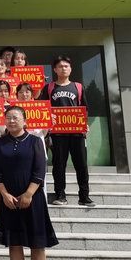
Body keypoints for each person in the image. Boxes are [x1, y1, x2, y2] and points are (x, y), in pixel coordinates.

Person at [0, 106, 58, 260]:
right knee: (14, 243)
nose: (12, 121)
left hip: (33, 199)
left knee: (37, 244)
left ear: (25, 120)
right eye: (8, 118)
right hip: (9, 201)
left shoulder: (35, 141)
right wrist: (4, 194)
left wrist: (29, 193)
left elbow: (40, 170)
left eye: (16, 117)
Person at [39, 55, 94, 207]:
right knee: (58, 165)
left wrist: (85, 124)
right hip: (57, 134)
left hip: (77, 133)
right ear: (55, 69)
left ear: (70, 69)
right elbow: (43, 108)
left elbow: (85, 108)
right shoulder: (49, 88)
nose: (63, 68)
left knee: (81, 165)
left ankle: (84, 196)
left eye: (66, 66)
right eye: (60, 66)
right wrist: (48, 120)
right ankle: (60, 195)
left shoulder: (78, 87)